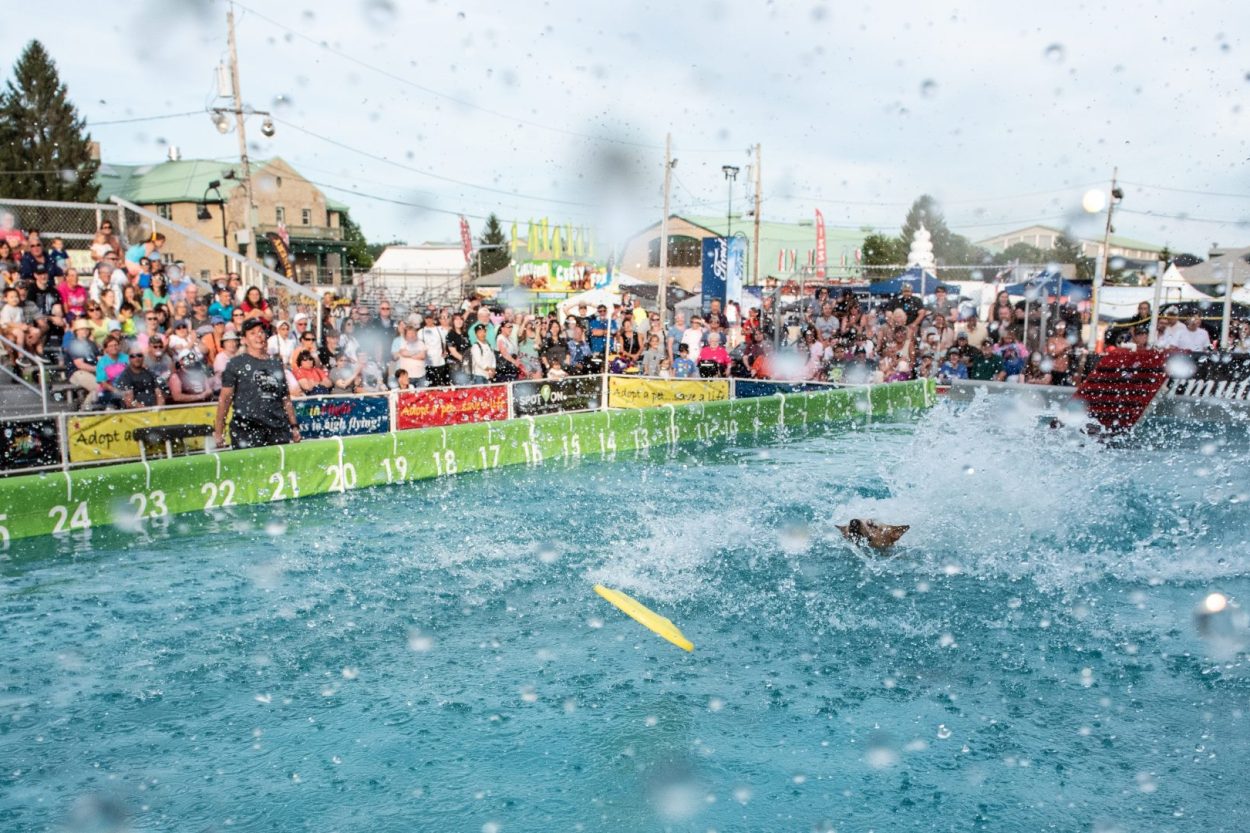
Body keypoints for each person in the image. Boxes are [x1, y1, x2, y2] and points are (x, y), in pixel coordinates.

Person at [215, 318, 300, 449]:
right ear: (244, 339)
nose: (258, 336)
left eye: (260, 332)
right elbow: (225, 399)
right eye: (252, 333)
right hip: (247, 429)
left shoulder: (276, 364)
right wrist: (219, 430)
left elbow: (285, 398)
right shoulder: (235, 364)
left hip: (277, 428)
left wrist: (294, 426)